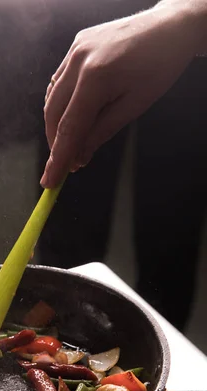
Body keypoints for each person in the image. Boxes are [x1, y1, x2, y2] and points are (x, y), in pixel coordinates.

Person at [38, 0, 207, 331]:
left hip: (187, 50)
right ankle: (53, 332)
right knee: (66, 217)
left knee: (170, 221)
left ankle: (158, 345)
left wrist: (187, 17)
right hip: (79, 21)